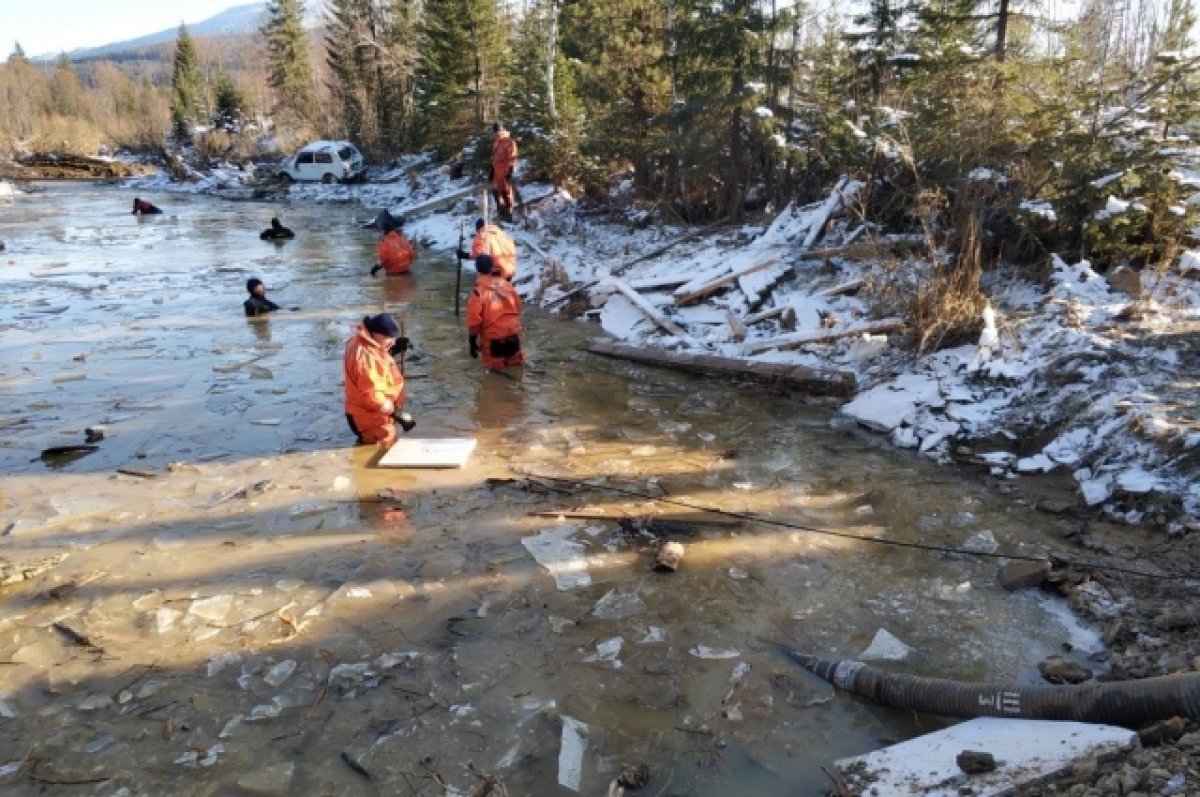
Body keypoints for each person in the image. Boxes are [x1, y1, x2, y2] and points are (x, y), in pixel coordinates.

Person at [343, 313, 414, 446]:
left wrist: (392, 350)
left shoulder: (365, 341)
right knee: (380, 449)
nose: (392, 342)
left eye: (394, 338)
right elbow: (372, 393)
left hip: (368, 411)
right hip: (370, 416)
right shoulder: (364, 356)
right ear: (376, 334)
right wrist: (396, 414)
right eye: (388, 338)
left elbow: (376, 361)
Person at [467, 254, 524, 371]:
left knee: (494, 374)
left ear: (477, 268)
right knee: (516, 368)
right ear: (492, 267)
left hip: (494, 338)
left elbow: (474, 321)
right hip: (513, 333)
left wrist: (472, 342)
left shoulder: (478, 293)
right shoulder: (507, 285)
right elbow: (518, 306)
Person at [490, 123, 518, 218]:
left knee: (506, 192)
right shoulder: (496, 142)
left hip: (505, 170)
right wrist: (492, 170)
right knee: (495, 191)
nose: (495, 134)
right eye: (494, 132)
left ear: (501, 130)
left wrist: (511, 169)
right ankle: (501, 211)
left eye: (497, 132)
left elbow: (512, 157)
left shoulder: (509, 142)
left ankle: (509, 212)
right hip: (497, 171)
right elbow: (495, 157)